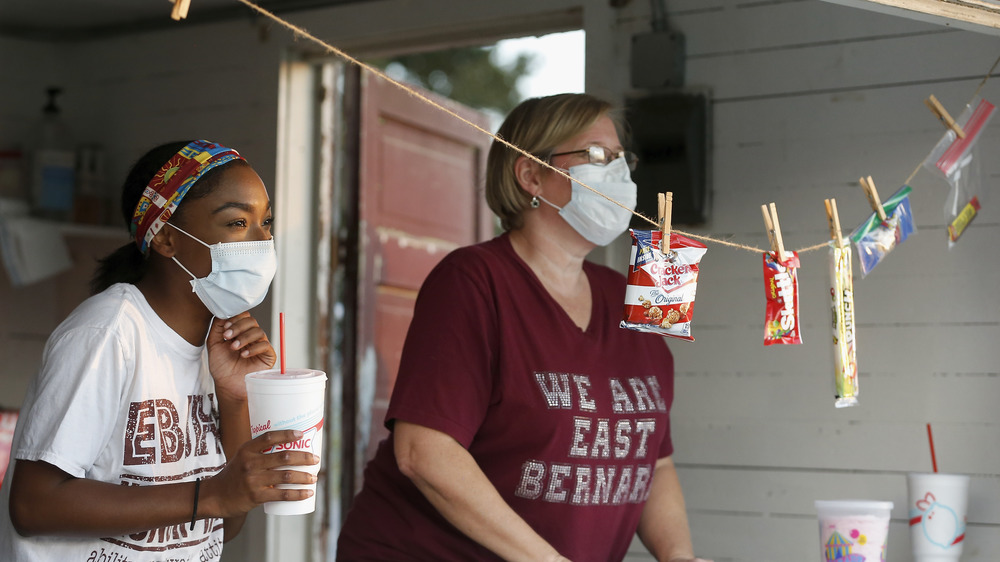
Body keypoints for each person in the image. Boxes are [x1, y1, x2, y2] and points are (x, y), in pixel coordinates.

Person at [336, 94, 711, 562]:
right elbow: (425, 452)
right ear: (531, 174)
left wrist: (679, 556)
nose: (619, 174)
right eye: (597, 156)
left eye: (622, 160)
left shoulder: (628, 296)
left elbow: (654, 461)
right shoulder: (474, 280)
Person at [0, 140, 318, 561]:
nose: (263, 242)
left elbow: (227, 521)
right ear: (167, 237)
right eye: (238, 223)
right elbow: (32, 506)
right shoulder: (109, 332)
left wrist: (234, 398)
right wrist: (214, 493)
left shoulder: (217, 344)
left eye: (267, 223)